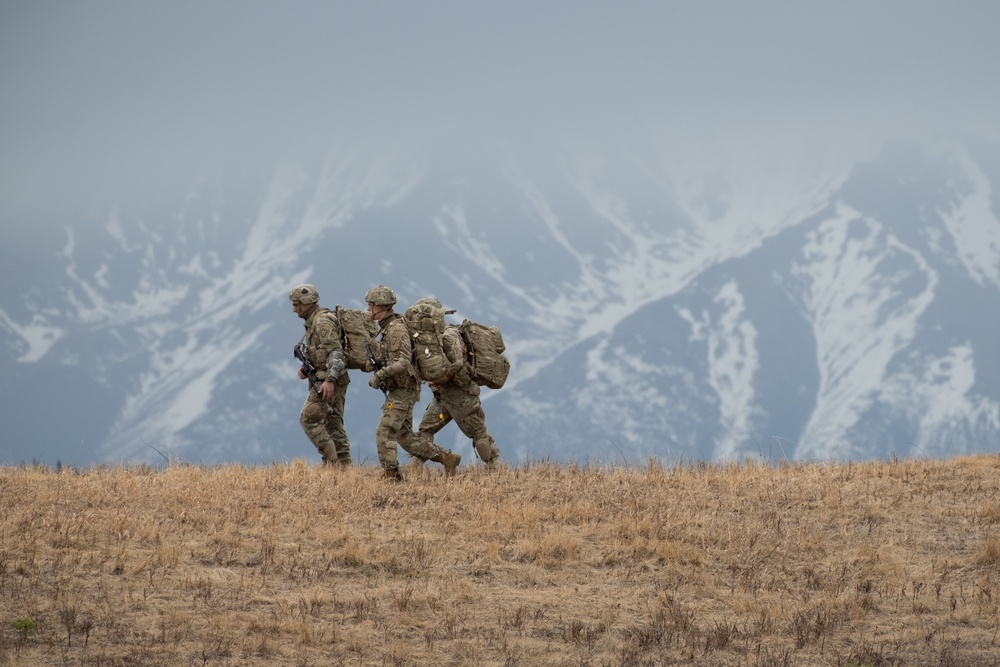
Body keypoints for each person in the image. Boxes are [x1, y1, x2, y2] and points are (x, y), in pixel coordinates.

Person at [364, 285, 461, 480]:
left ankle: (392, 475)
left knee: (385, 431)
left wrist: (379, 375)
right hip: (400, 388)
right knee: (405, 436)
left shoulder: (396, 329)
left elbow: (403, 361)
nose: (368, 310)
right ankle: (447, 458)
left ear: (381, 306)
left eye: (371, 305)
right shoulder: (386, 328)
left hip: (403, 389)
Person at [415, 317, 500, 467]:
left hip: (461, 395)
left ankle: (494, 466)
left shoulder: (448, 336)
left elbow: (457, 365)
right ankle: (416, 467)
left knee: (478, 433)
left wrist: (438, 379)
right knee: (426, 429)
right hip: (443, 396)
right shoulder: (436, 337)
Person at [289, 283, 352, 466]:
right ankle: (345, 470)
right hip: (328, 378)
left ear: (307, 302)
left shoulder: (322, 322)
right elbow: (322, 352)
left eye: (297, 304)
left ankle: (332, 465)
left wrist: (330, 380)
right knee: (334, 426)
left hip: (329, 381)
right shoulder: (314, 321)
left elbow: (335, 351)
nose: (294, 309)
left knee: (308, 418)